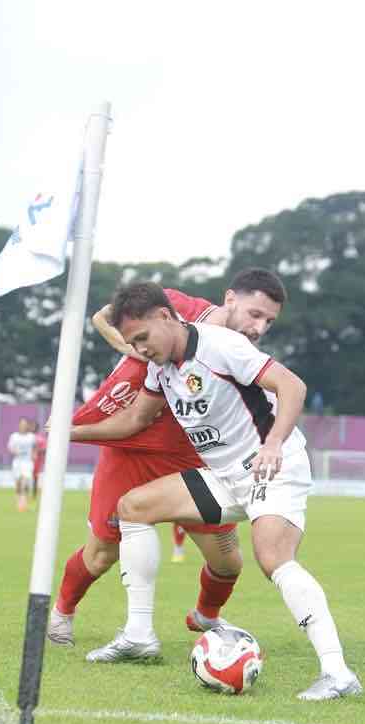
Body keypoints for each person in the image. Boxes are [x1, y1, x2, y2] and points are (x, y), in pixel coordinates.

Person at [70, 281, 362, 701]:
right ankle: (138, 635)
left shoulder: (221, 346)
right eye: (132, 342)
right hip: (225, 477)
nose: (139, 349)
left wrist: (274, 445)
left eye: (142, 338)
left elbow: (292, 386)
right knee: (133, 507)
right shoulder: (160, 368)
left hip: (272, 468)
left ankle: (337, 672)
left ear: (166, 317)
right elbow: (134, 421)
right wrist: (70, 431)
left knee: (273, 558)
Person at [48, 269, 286, 662]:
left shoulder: (242, 355)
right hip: (130, 451)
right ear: (230, 299)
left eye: (268, 321)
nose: (258, 327)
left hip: (190, 456)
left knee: (227, 562)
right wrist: (136, 349)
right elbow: (103, 317)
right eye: (254, 314)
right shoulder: (179, 308)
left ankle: (207, 617)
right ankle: (62, 614)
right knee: (102, 554)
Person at [7, 417, 35, 512]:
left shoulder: (31, 436)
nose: (23, 426)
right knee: (18, 482)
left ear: (27, 426)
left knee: (26, 480)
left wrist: (34, 455)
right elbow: (10, 447)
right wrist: (14, 451)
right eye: (21, 424)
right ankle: (19, 500)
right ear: (19, 425)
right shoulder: (14, 436)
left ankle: (24, 502)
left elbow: (35, 447)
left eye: (25, 424)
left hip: (27, 462)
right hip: (17, 462)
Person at [30, 420, 47, 500]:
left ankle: (34, 494)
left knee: (36, 479)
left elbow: (45, 448)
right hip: (26, 461)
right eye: (31, 426)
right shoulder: (27, 437)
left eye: (34, 426)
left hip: (37, 462)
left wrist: (37, 450)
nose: (32, 428)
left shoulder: (40, 438)